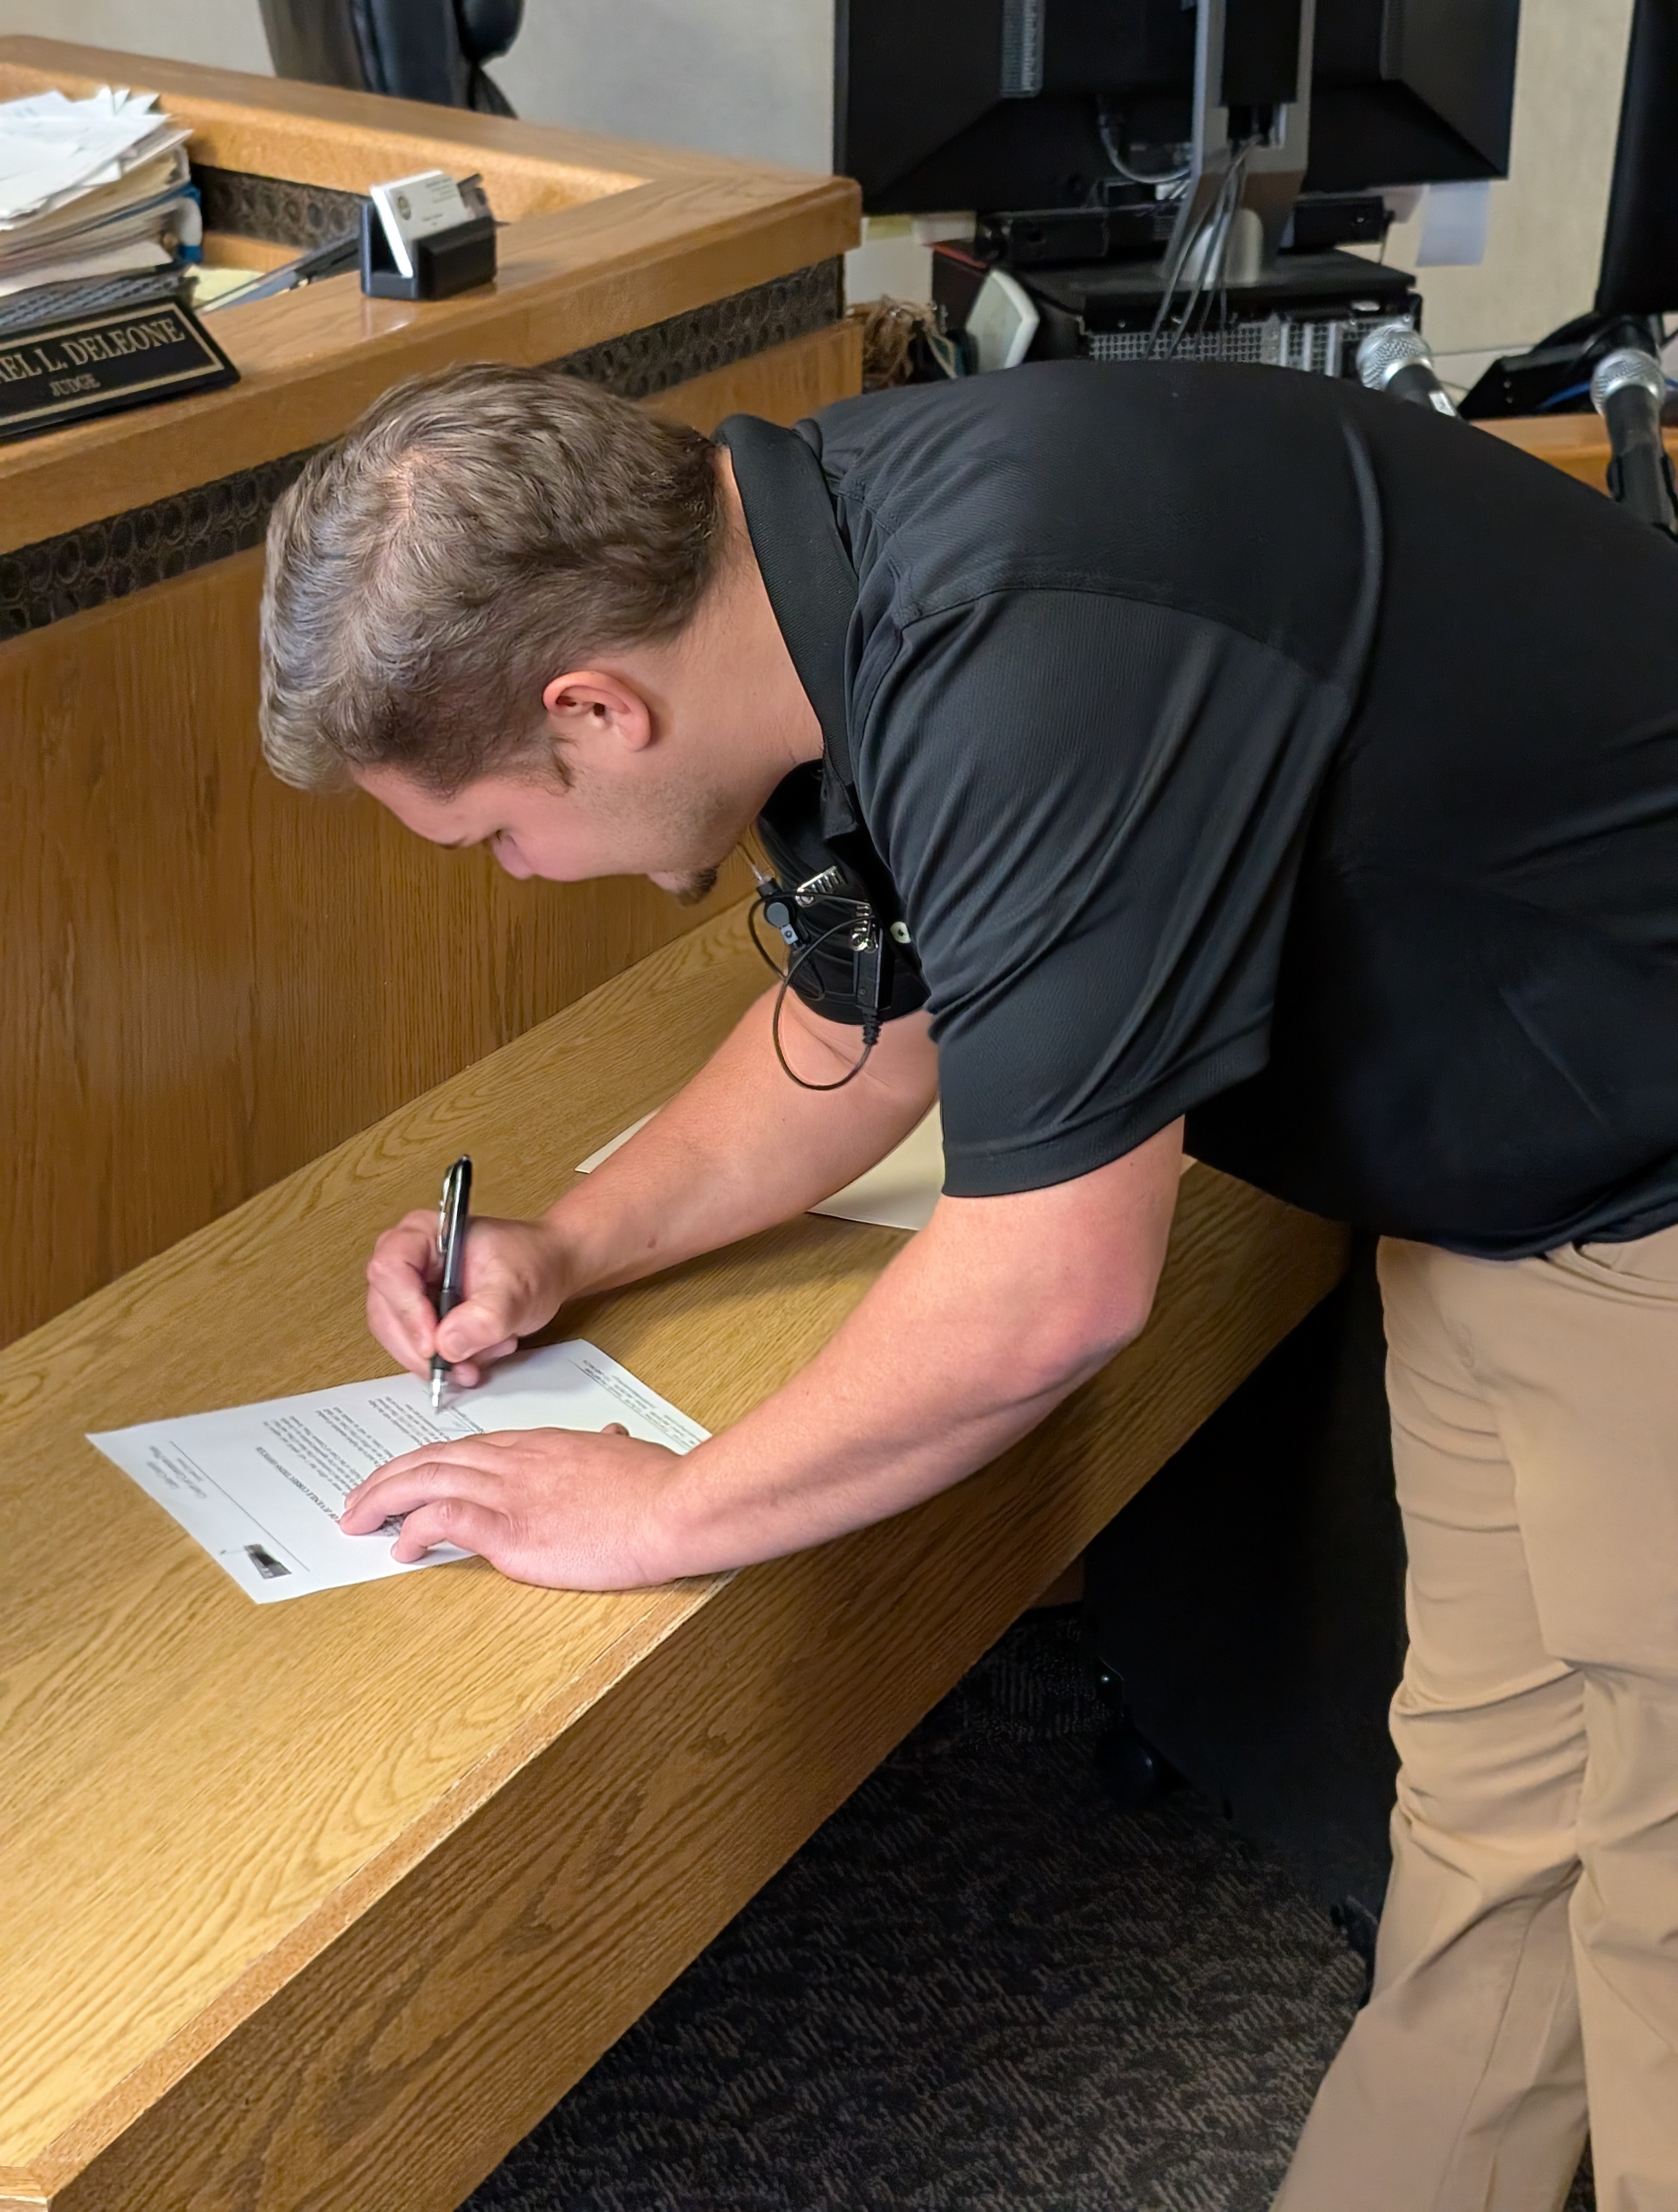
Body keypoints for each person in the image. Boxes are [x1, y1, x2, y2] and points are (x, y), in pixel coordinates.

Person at [259, 357, 1677, 2212]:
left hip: (1641, 1187)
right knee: (1504, 1847)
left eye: (495, 834)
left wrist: (668, 1511)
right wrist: (573, 1242)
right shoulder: (819, 569)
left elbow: (1048, 1294)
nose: (523, 874)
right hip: (1514, 1176)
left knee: (1657, 1913)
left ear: (592, 708)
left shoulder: (1027, 643)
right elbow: (887, 1012)